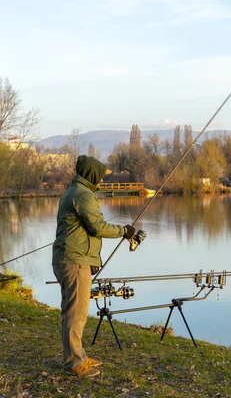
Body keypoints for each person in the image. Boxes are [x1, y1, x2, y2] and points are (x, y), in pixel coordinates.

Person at [52, 155, 135, 378]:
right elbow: (97, 227)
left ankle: (77, 356)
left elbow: (85, 231)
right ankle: (75, 363)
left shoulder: (75, 191)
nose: (103, 181)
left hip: (72, 260)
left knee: (74, 311)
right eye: (101, 176)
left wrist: (91, 259)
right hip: (74, 262)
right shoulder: (83, 194)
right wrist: (124, 231)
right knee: (76, 313)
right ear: (92, 175)